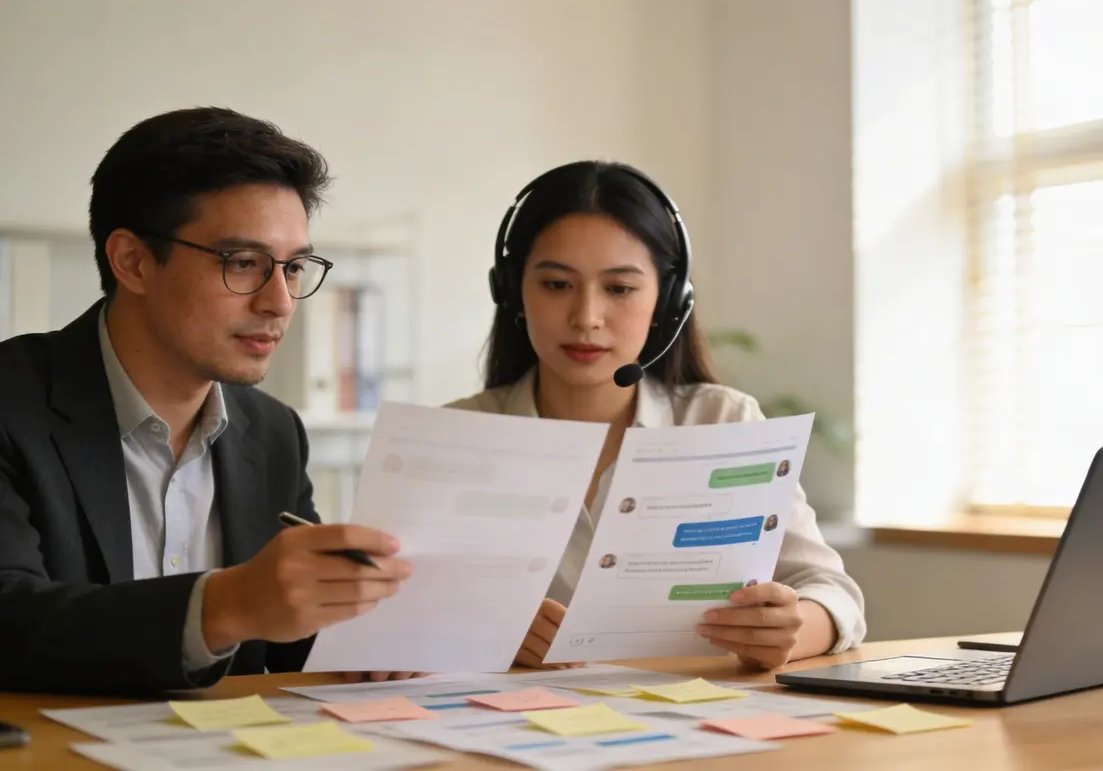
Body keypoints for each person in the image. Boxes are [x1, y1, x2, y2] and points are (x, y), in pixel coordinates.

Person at [0, 107, 414, 695]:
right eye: (243, 263)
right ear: (133, 261)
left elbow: (301, 641)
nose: (281, 302)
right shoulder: (13, 404)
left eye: (294, 267)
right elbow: (11, 618)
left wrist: (384, 637)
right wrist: (223, 604)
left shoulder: (272, 433)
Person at [446, 161, 867, 672]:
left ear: (668, 302)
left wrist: (793, 629)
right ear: (513, 293)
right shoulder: (458, 437)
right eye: (557, 285)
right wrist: (480, 628)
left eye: (619, 289)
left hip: (697, 721)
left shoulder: (722, 420)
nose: (586, 317)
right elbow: (389, 614)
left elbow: (831, 592)